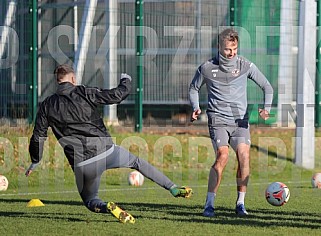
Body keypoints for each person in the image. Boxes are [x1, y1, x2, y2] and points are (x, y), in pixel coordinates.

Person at [26, 64, 192, 223]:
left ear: (58, 81)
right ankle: (173, 187)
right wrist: (125, 81)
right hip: (106, 151)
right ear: (73, 79)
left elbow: (38, 135)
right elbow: (116, 95)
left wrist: (35, 159)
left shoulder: (47, 105)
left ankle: (107, 207)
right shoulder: (84, 92)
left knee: (91, 201)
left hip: (82, 163)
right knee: (136, 162)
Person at [189, 28, 273, 217]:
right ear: (219, 47)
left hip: (240, 121)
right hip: (218, 120)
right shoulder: (207, 68)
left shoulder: (245, 65)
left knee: (244, 156)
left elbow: (267, 86)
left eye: (234, 49)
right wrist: (195, 107)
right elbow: (193, 88)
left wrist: (266, 108)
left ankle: (240, 204)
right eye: (228, 49)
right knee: (222, 156)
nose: (232, 53)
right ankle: (209, 204)